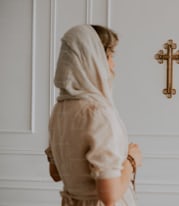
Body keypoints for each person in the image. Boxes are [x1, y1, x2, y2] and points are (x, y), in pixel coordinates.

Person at [45, 24, 142, 206]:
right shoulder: (97, 113)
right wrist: (131, 160)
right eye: (111, 55)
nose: (113, 64)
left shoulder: (59, 110)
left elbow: (55, 173)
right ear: (94, 60)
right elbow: (109, 196)